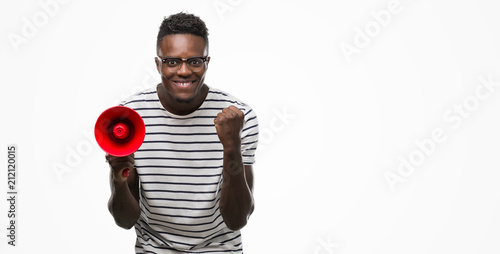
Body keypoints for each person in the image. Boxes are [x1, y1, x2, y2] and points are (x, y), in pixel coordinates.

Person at [105, 12, 259, 253]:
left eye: (195, 61)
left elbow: (237, 219)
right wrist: (117, 177)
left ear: (207, 62)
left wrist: (232, 147)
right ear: (158, 64)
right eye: (172, 61)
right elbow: (124, 221)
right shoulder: (129, 117)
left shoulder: (239, 117)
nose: (184, 71)